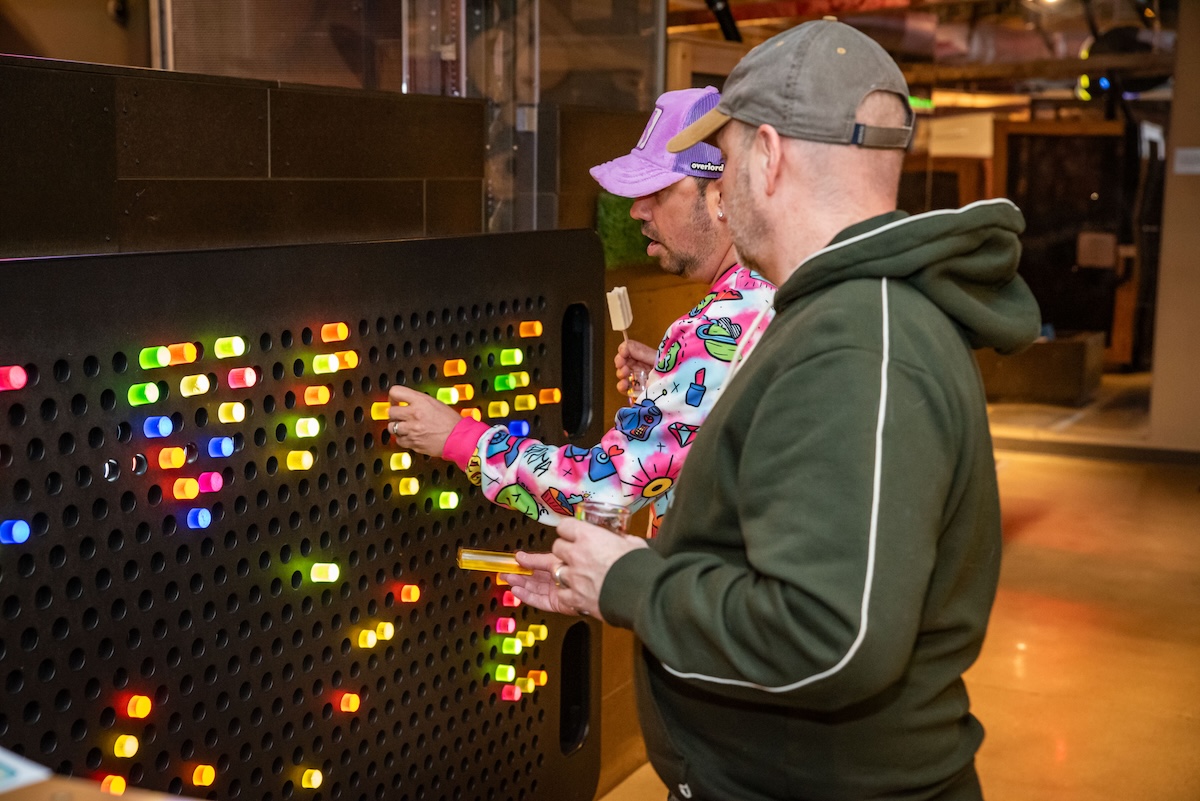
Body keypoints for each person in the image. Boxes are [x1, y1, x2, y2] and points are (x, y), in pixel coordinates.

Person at [506, 19, 1041, 801]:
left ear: (769, 154)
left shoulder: (857, 343)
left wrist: (630, 582)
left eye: (721, 164)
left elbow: (830, 638)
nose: (718, 190)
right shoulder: (838, 320)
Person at [387, 86, 775, 535]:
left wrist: (464, 441)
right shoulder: (766, 292)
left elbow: (605, 489)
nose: (637, 210)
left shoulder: (725, 323)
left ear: (721, 196)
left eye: (659, 190)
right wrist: (675, 379)